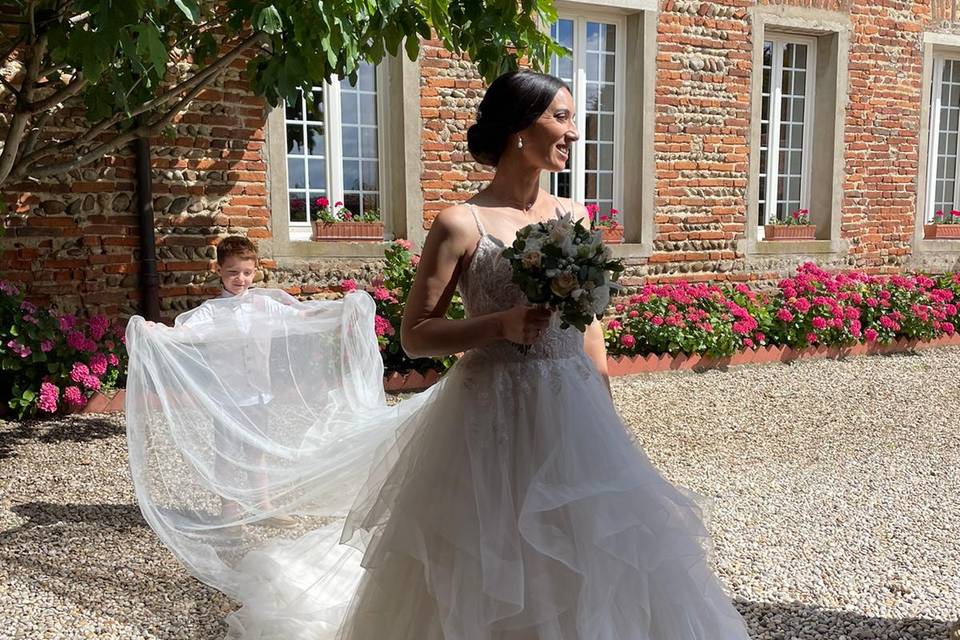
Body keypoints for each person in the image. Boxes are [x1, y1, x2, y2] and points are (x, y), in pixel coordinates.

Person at [126, 71, 751, 639]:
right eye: (561, 116)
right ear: (517, 131)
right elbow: (415, 335)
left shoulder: (574, 215)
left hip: (573, 409)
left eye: (571, 117)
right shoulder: (461, 223)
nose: (573, 129)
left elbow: (588, 327)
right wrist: (497, 324)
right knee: (485, 549)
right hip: (490, 410)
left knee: (591, 542)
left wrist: (604, 405)